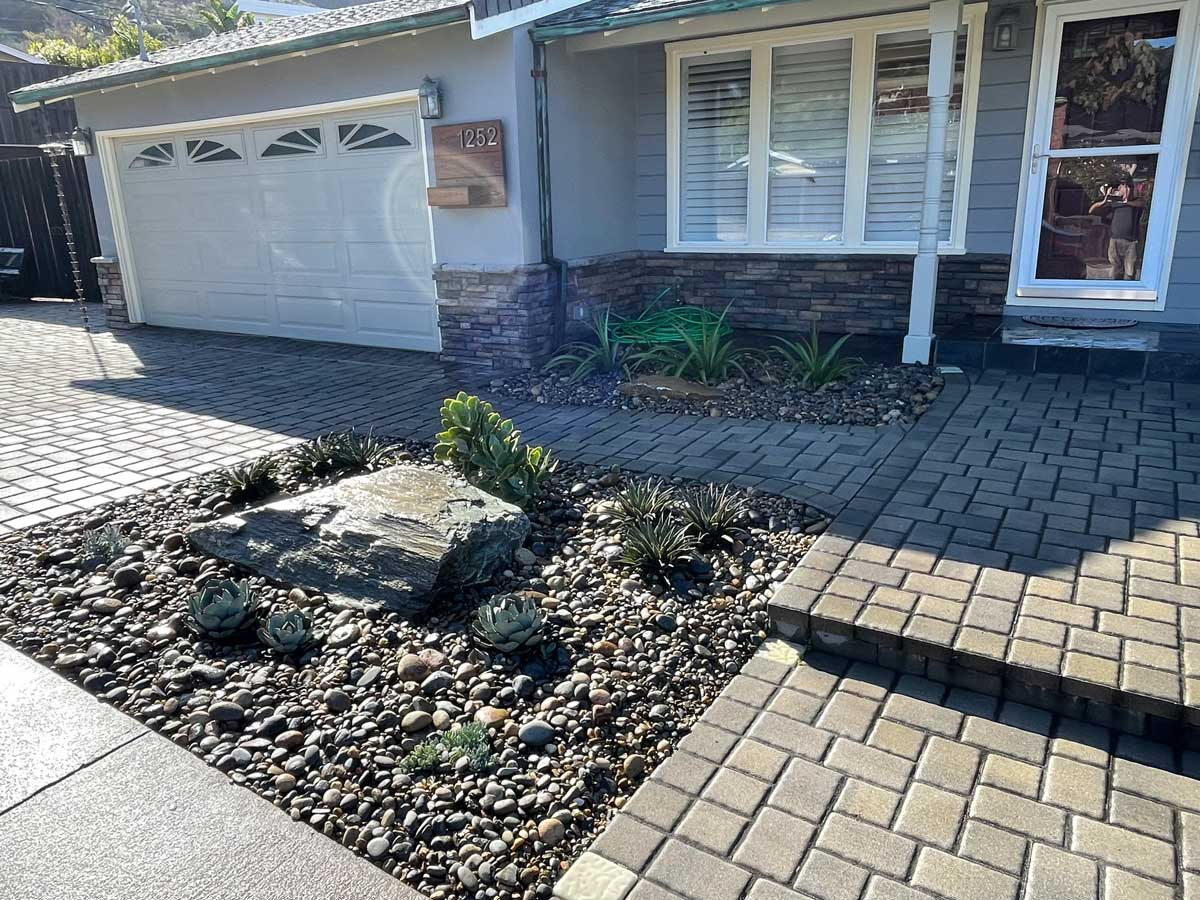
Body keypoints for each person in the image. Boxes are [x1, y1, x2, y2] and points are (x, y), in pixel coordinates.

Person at [1088, 172, 1146, 280]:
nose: (1120, 188)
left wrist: (1126, 201)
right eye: (1120, 186)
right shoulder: (1114, 203)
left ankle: (1127, 292)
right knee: (1115, 269)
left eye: (1123, 186)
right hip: (1115, 240)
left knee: (1130, 271)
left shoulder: (1135, 202)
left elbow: (1142, 203)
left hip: (1131, 242)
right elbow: (1092, 210)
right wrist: (1105, 200)